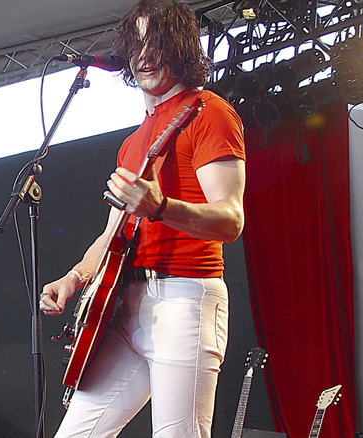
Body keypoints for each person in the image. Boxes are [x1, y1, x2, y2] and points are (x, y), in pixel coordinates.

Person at [39, 0, 246, 436]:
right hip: (127, 305)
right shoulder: (133, 143)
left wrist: (162, 207)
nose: (145, 54)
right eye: (137, 43)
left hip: (185, 299)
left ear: (182, 49)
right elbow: (113, 234)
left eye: (158, 42)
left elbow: (231, 219)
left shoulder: (210, 113)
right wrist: (74, 278)